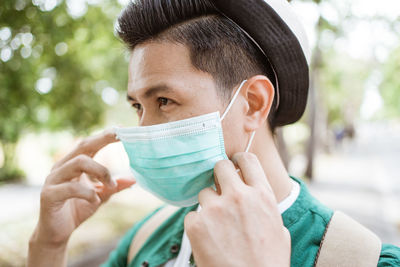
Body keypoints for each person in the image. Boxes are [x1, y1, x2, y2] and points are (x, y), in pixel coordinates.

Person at [27, 0, 400, 266]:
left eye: (165, 100)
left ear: (252, 103)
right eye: (138, 106)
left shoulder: (360, 259)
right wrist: (49, 244)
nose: (142, 131)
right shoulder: (147, 237)